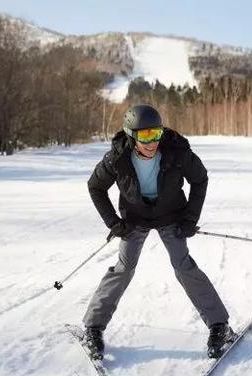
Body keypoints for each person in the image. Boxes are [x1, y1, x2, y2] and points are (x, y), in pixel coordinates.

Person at [82, 104, 235, 359]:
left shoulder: (177, 151)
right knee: (124, 268)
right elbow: (95, 187)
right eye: (144, 136)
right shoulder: (117, 157)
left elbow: (200, 179)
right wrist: (113, 222)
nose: (152, 142)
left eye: (156, 133)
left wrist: (190, 218)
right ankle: (93, 327)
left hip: (171, 215)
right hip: (134, 218)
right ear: (131, 135)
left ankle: (220, 325)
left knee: (183, 265)